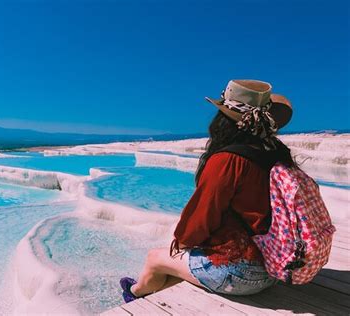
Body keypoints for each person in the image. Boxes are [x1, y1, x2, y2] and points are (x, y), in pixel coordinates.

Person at [120, 79, 295, 302]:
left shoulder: (229, 160)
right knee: (178, 267)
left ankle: (132, 295)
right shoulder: (276, 154)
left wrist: (182, 245)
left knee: (155, 258)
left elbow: (202, 216)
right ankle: (144, 293)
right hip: (275, 267)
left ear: (224, 121)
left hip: (240, 273)